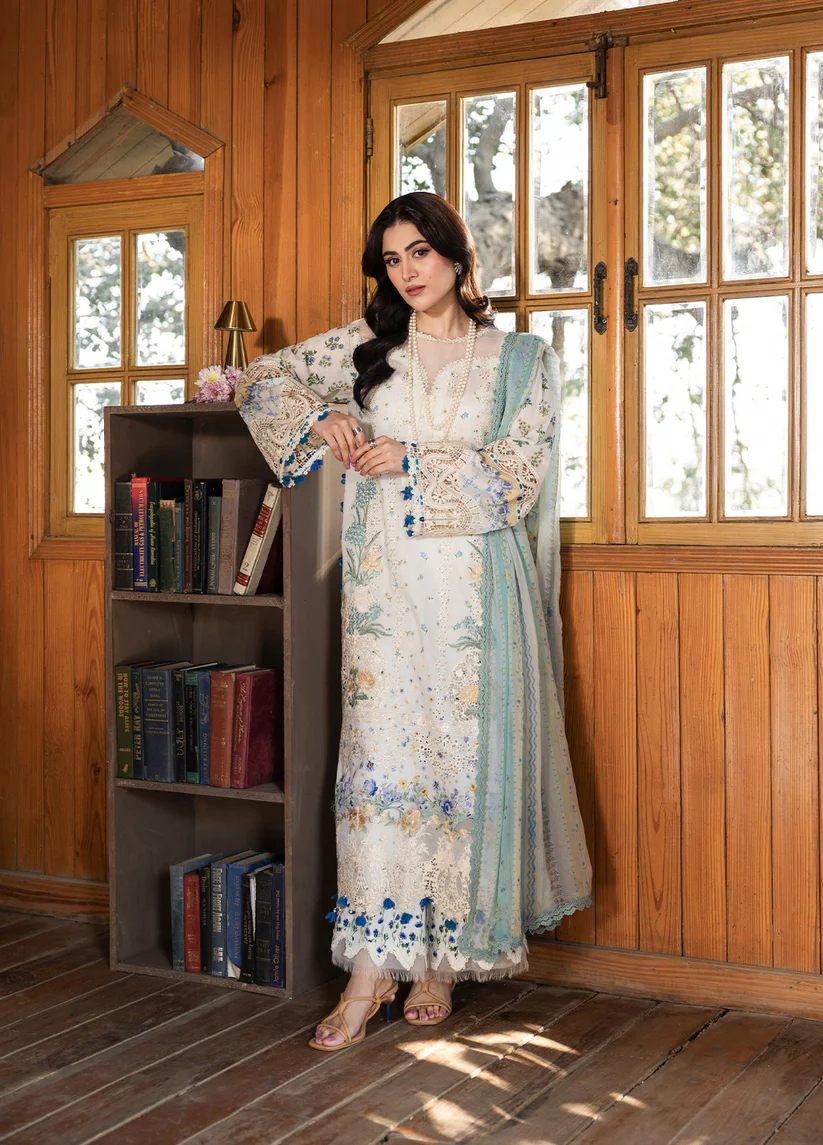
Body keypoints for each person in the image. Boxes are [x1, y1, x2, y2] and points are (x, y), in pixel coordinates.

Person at [235, 191, 592, 1051]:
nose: (406, 272)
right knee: (382, 766)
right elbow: (258, 380)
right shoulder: (367, 349)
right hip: (384, 595)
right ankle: (371, 970)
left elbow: (517, 476)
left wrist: (414, 457)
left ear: (456, 255)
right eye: (391, 260)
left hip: (476, 595)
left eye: (419, 252)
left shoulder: (521, 359)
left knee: (460, 769)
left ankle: (441, 961)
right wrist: (323, 415)